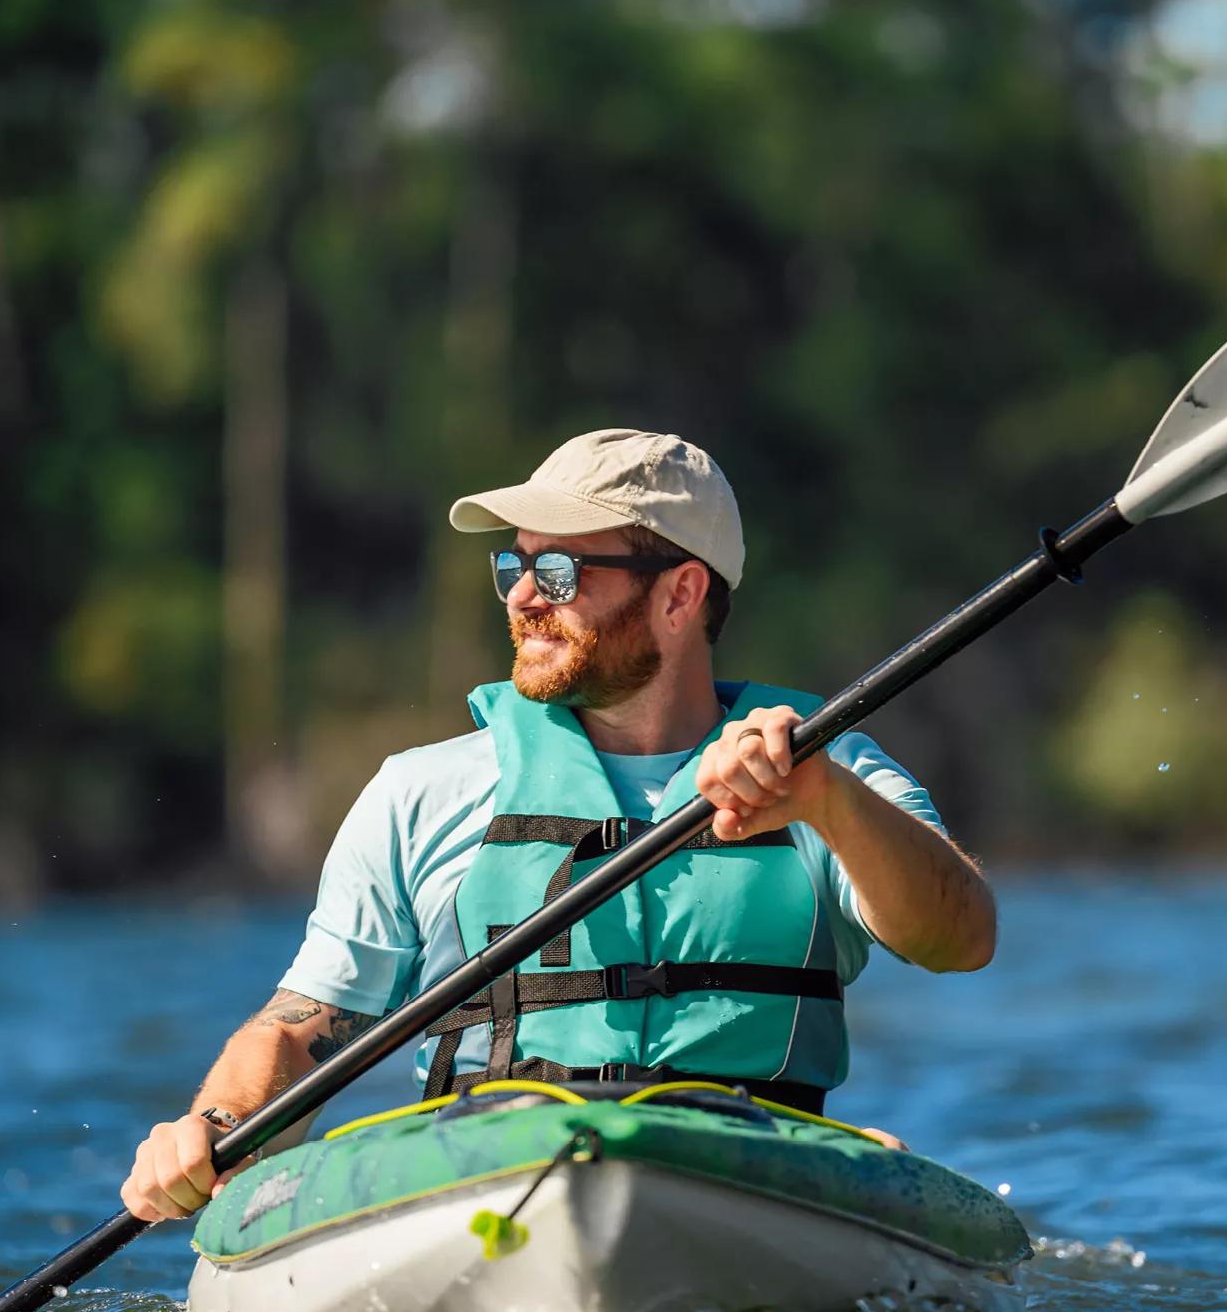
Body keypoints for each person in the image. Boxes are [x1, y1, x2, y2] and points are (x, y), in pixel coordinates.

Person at [121, 428, 996, 1222]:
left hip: (753, 1181)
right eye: (514, 568)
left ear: (681, 595)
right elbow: (300, 1031)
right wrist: (216, 1123)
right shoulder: (419, 794)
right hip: (482, 1184)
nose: (525, 598)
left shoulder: (829, 772)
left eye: (564, 573)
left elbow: (962, 937)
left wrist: (831, 803)